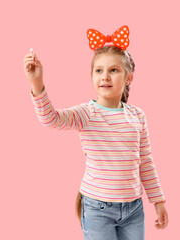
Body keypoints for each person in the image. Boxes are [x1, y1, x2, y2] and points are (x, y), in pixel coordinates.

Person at [23, 25, 168, 240]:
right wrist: (37, 82)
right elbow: (51, 119)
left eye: (113, 70)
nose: (105, 76)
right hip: (97, 209)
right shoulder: (86, 114)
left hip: (133, 209)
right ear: (91, 76)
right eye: (99, 70)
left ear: (128, 78)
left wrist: (159, 201)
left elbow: (146, 162)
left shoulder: (138, 116)